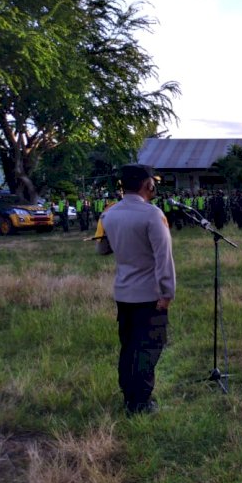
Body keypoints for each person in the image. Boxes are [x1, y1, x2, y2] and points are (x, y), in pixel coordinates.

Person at [96, 164, 175, 415]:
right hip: (149, 294)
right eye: (153, 181)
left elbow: (102, 249)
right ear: (147, 184)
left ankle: (129, 395)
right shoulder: (152, 214)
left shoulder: (109, 214)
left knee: (129, 346)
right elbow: (163, 258)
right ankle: (140, 403)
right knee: (148, 348)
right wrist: (167, 292)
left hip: (123, 293)